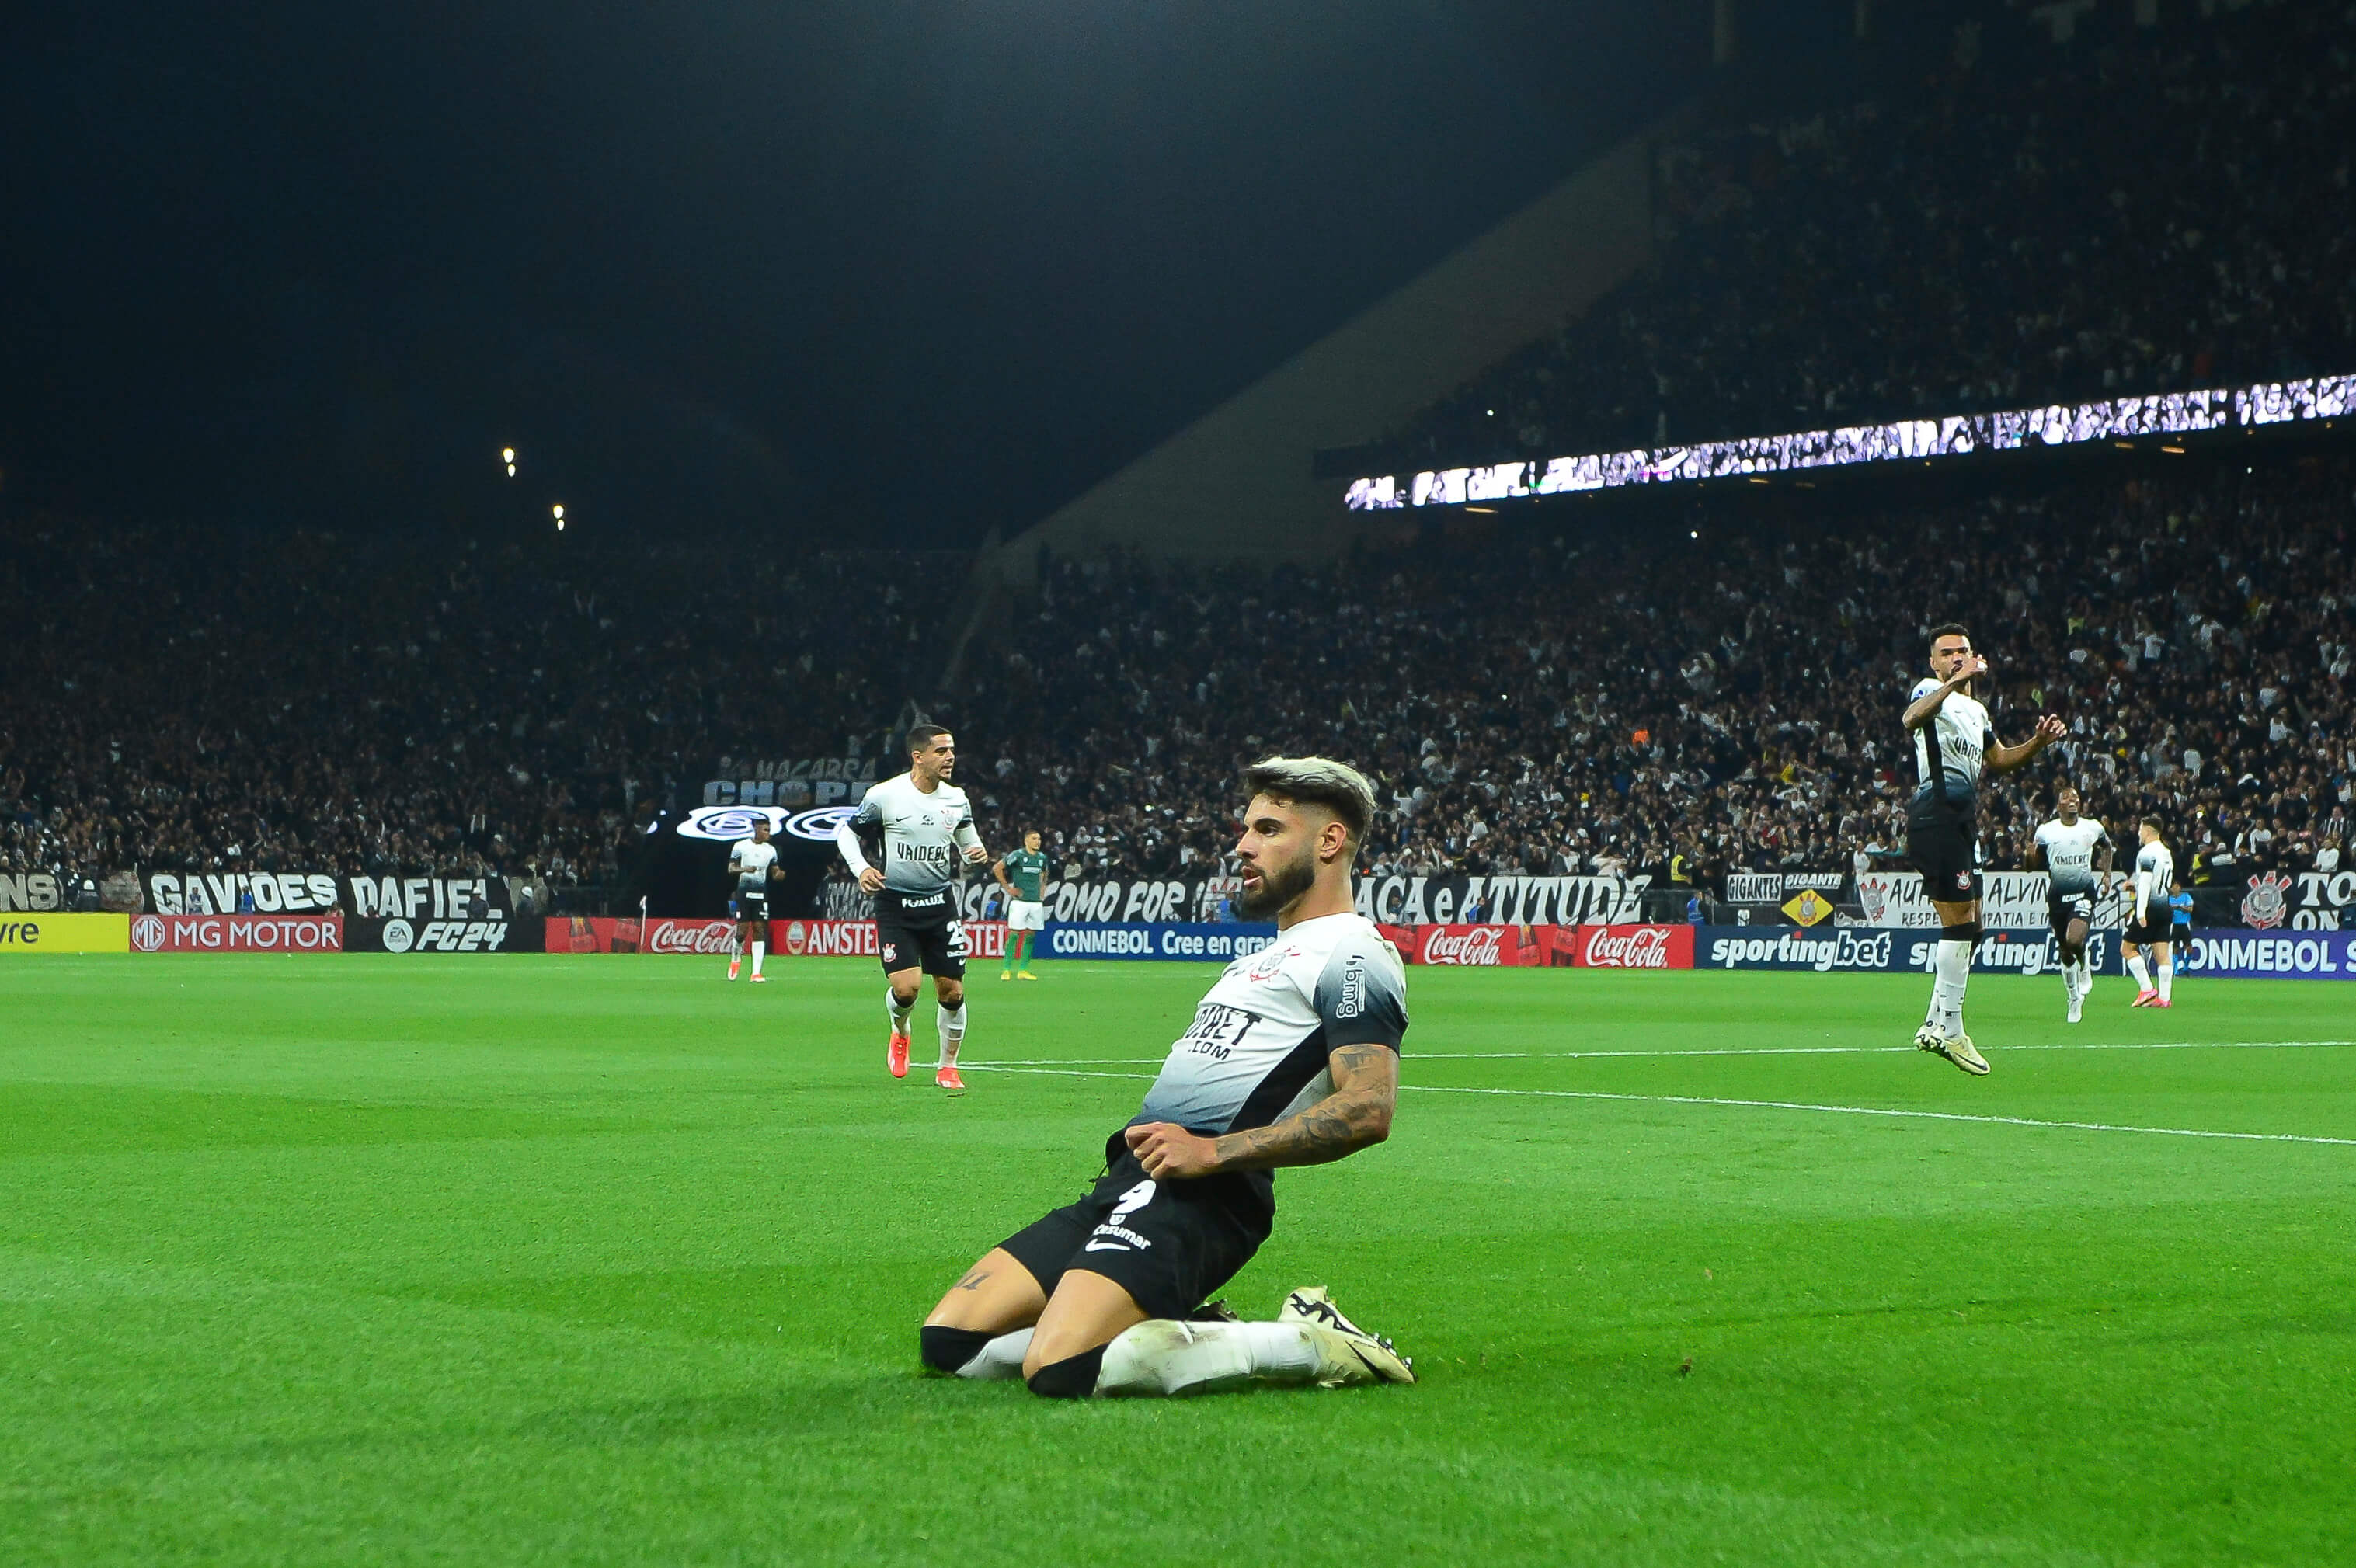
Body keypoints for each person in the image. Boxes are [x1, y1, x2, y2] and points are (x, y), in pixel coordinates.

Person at [918, 756, 1415, 1399]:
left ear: (1328, 841)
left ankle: (1309, 1341)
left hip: (1204, 1196)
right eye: (1245, 829)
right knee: (952, 1341)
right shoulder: (1259, 959)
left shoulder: (1353, 951)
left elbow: (1368, 1107)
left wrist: (1211, 1152)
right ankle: (1177, 1328)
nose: (1241, 845)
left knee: (1059, 1367)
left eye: (1267, 830)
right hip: (1129, 1179)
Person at [1902, 624, 2065, 1073]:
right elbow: (1910, 719)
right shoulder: (1930, 690)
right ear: (1934, 662)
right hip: (1936, 808)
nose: (1956, 657)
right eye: (1947, 653)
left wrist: (2038, 743)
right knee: (1957, 924)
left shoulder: (1975, 711)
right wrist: (1953, 680)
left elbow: (1998, 760)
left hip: (1963, 816)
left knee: (1973, 927)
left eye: (1963, 651)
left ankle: (1935, 1023)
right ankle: (1950, 1029)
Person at [836, 725, 990, 1091]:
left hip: (940, 905)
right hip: (896, 906)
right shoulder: (885, 796)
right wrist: (862, 869)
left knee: (951, 991)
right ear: (918, 757)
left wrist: (975, 855)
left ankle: (948, 1066)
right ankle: (900, 1030)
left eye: (952, 750)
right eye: (941, 751)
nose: (950, 757)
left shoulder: (957, 799)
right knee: (907, 990)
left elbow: (969, 847)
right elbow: (847, 833)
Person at [2027, 784, 2113, 1024]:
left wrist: (2106, 874)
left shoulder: (2092, 827)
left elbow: (2107, 846)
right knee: (2065, 952)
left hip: (2084, 892)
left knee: (2075, 940)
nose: (2073, 800)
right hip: (2057, 897)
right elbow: (2033, 866)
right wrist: (2027, 856)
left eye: (2076, 797)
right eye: (2067, 798)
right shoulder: (2046, 831)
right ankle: (2074, 998)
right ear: (2059, 806)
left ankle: (2085, 964)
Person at [2123, 818, 2178, 1008]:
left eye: (2140, 829)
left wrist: (2140, 913)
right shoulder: (2166, 852)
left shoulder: (2147, 852)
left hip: (2149, 907)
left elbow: (2147, 882)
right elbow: (2159, 880)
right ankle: (2164, 998)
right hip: (2165, 906)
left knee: (2127, 949)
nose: (2139, 833)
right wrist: (2134, 884)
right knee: (2162, 954)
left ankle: (2147, 989)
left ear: (2147, 830)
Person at [726, 816, 781, 982]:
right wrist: (745, 869)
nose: (768, 834)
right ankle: (736, 957)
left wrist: (779, 875)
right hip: (744, 893)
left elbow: (775, 871)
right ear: (756, 829)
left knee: (760, 929)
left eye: (769, 830)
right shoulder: (740, 846)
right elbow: (731, 869)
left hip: (761, 894)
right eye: (765, 830)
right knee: (742, 931)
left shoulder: (771, 850)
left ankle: (756, 972)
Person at [993, 829, 1049, 980]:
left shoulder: (1042, 858)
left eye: (1039, 839)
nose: (1038, 841)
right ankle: (1006, 969)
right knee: (1014, 934)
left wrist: (1042, 888)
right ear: (1026, 841)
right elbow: (997, 868)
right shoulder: (1017, 856)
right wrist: (1008, 889)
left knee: (1031, 936)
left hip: (1035, 902)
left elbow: (1045, 873)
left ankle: (1023, 970)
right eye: (1034, 838)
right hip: (1020, 902)